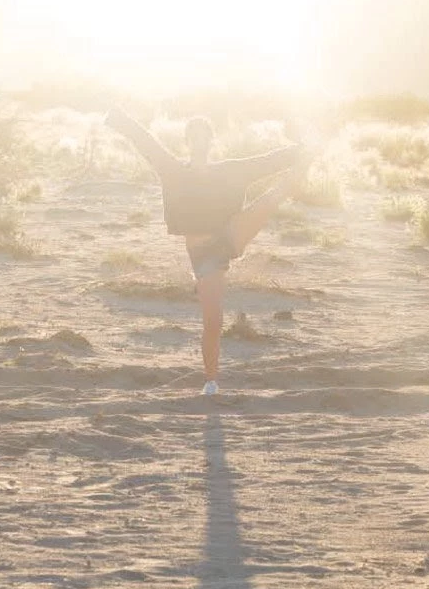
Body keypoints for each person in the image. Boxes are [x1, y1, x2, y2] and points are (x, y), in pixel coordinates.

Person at [106, 107, 310, 394]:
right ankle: (211, 380)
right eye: (195, 137)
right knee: (213, 320)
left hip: (226, 236)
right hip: (204, 255)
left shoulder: (228, 170)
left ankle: (308, 154)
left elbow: (266, 162)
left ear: (211, 141)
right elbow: (147, 143)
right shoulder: (174, 170)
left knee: (272, 198)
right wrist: (120, 120)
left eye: (205, 137)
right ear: (188, 141)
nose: (200, 142)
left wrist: (297, 152)